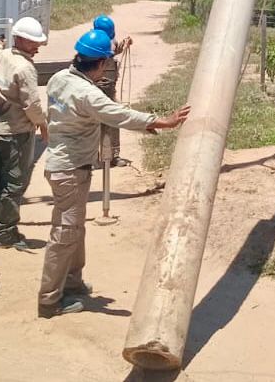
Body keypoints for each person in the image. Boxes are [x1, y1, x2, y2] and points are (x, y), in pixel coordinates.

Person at [38, 29, 190, 318]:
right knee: (65, 234)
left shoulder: (60, 79)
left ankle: (72, 284)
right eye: (105, 64)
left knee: (75, 230)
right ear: (98, 64)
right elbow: (118, 114)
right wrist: (162, 122)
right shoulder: (87, 94)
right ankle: (49, 300)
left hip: (65, 168)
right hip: (69, 171)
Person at [0, 16, 49, 249]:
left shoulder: (4, 56)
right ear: (20, 39)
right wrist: (44, 125)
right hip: (17, 132)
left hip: (0, 129)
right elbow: (32, 105)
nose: (37, 47)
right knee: (15, 183)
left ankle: (1, 225)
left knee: (3, 180)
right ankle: (6, 234)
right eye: (33, 43)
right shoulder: (25, 68)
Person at [92, 14, 132, 166]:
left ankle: (110, 155)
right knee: (98, 121)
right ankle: (98, 156)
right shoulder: (94, 44)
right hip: (96, 88)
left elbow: (114, 50)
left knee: (110, 120)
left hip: (108, 88)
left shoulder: (107, 41)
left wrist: (124, 44)